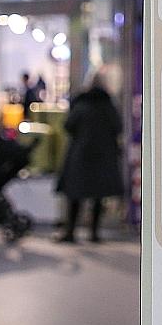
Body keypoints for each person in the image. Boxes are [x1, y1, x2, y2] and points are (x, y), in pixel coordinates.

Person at [53, 78, 125, 244]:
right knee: (98, 197)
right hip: (103, 157)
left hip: (81, 157)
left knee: (75, 195)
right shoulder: (108, 107)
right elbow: (118, 127)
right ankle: (94, 233)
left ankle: (70, 232)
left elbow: (68, 126)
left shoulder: (81, 106)